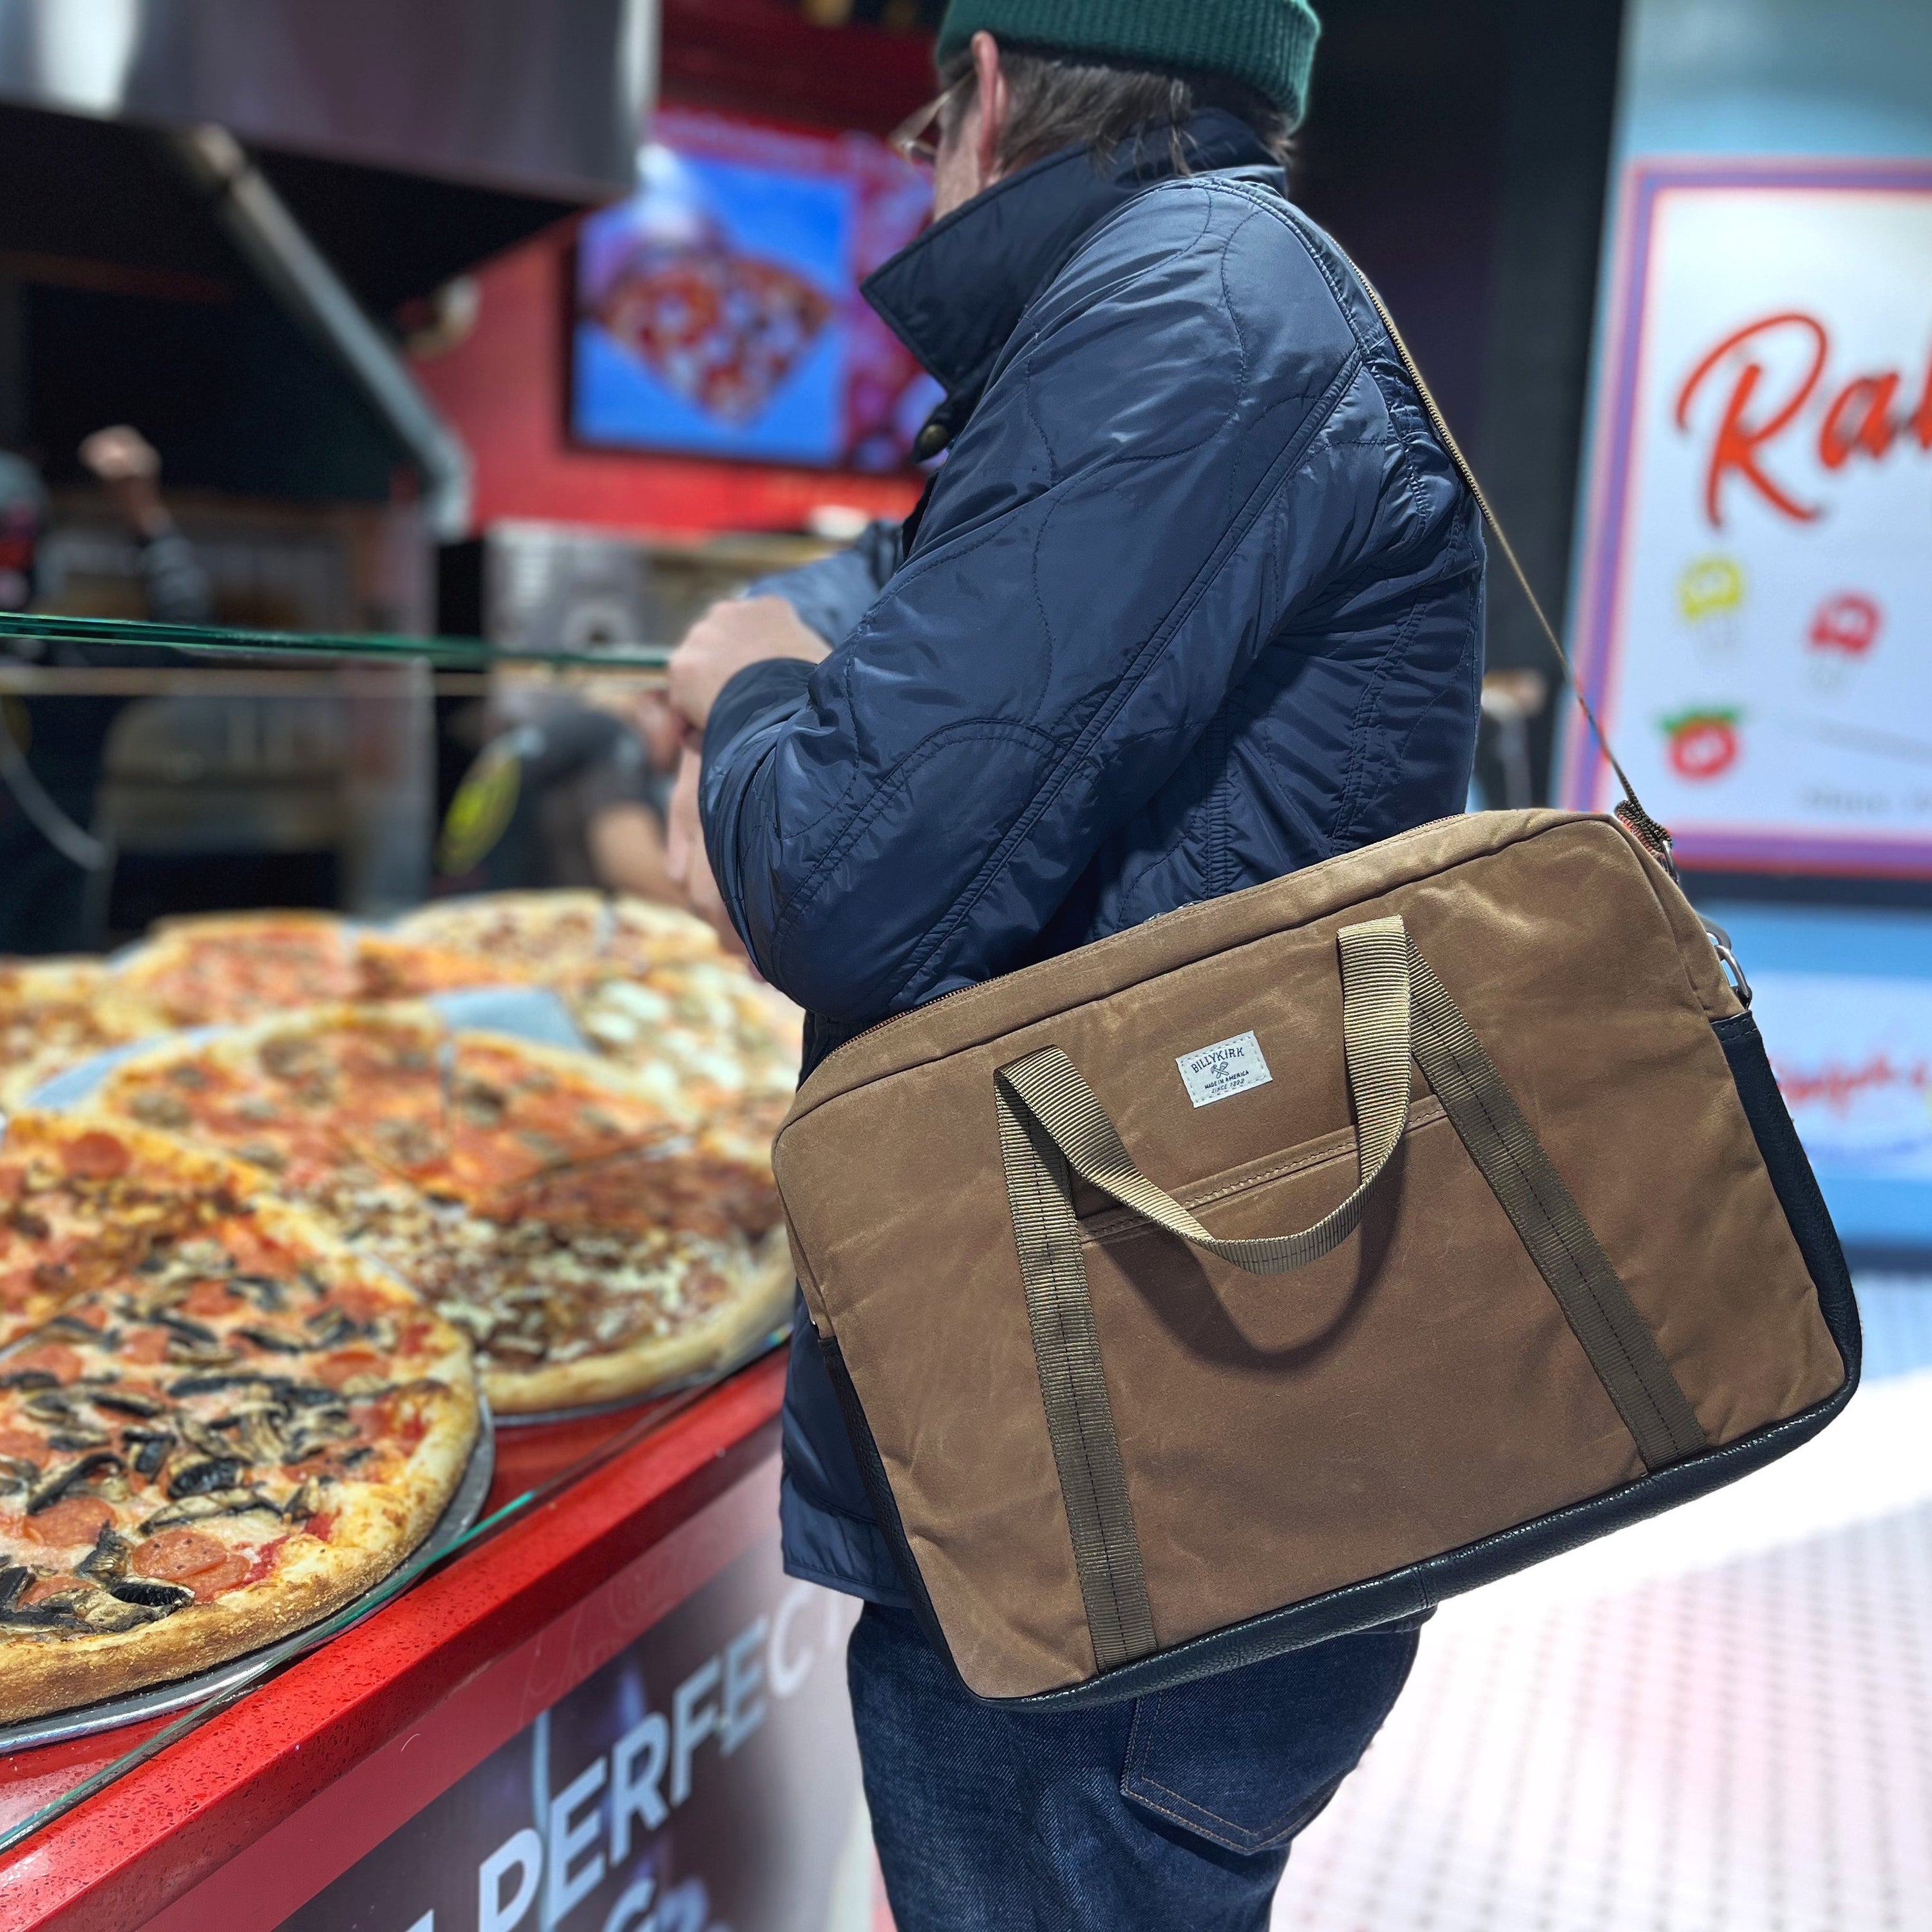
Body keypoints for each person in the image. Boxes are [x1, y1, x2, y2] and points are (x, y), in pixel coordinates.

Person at [664, 5, 1482, 1924]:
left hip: (1127, 1461)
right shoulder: (1214, 293)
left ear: (994, 86)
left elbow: (841, 885)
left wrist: (744, 689)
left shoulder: (1183, 309)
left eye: (930, 111)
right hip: (1171, 1407)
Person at [0, 427, 213, 953]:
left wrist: (145, 515)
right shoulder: (65, 668)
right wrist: (144, 515)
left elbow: (182, 639)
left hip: (48, 994)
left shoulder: (66, 671)